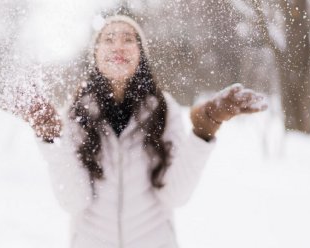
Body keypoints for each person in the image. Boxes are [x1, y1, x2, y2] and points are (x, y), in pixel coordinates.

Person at [24, 15, 267, 248]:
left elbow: (175, 195)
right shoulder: (76, 113)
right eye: (108, 39)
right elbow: (73, 200)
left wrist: (205, 128)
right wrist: (50, 138)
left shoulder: (164, 109)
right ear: (95, 55)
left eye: (128, 39)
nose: (118, 45)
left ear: (141, 54)